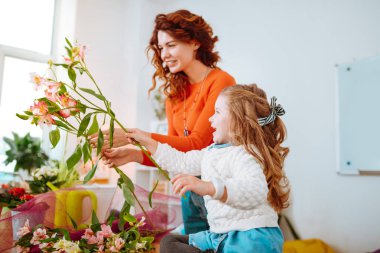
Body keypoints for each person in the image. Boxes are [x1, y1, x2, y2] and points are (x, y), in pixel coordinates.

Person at [90, 9, 235, 234]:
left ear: (195, 42)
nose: (164, 54)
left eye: (171, 45)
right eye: (160, 47)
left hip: (218, 190)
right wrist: (134, 155)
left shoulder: (221, 81)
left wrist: (133, 136)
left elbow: (197, 144)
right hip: (189, 192)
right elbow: (174, 155)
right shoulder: (174, 95)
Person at [107, 84, 290, 252]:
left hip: (249, 238)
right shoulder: (212, 152)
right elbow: (181, 161)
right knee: (169, 243)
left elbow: (254, 190)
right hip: (220, 236)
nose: (211, 119)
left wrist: (208, 187)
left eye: (217, 112)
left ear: (238, 121)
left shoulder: (245, 155)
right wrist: (148, 141)